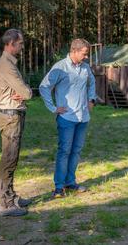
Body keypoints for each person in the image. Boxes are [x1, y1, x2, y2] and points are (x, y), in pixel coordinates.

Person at [39, 38, 96, 198]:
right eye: (84, 54)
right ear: (74, 51)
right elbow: (44, 87)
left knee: (76, 151)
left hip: (83, 117)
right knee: (64, 151)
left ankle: (70, 182)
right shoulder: (60, 67)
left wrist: (91, 99)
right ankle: (58, 187)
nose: (86, 57)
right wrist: (53, 108)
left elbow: (92, 82)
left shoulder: (85, 68)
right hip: (66, 118)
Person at [0, 29, 33, 216]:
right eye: (20, 43)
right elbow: (25, 92)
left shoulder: (9, 63)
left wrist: (23, 92)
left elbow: (21, 91)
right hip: (10, 117)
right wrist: (27, 93)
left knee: (12, 158)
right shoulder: (6, 65)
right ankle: (5, 204)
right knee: (9, 159)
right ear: (10, 44)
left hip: (12, 115)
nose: (22, 46)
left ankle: (11, 196)